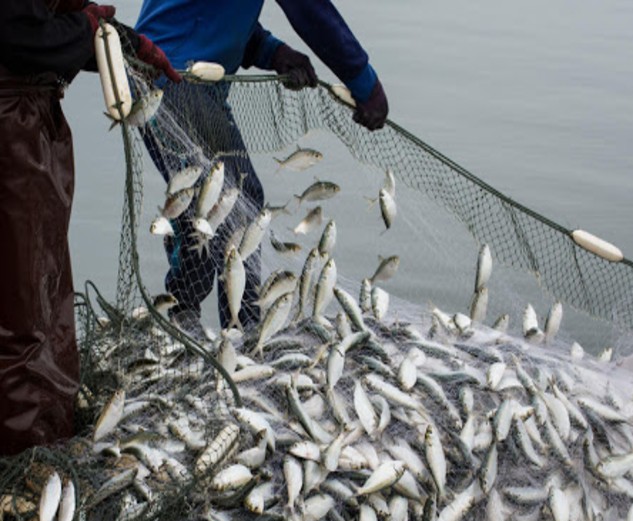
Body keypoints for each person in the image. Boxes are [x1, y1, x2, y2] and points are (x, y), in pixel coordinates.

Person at [135, 0, 389, 336]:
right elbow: (309, 9)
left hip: (177, 76)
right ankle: (225, 327)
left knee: (222, 201)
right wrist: (364, 82)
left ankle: (207, 321)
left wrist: (271, 51)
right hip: (174, 79)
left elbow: (213, 13)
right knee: (231, 201)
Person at [0, 0, 179, 456]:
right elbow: (21, 36)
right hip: (11, 130)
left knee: (39, 290)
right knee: (23, 309)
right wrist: (85, 28)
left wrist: (126, 42)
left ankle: (43, 435)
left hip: (25, 118)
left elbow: (45, 20)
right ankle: (29, 458)